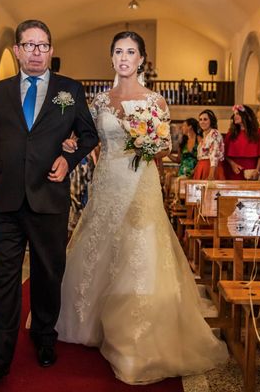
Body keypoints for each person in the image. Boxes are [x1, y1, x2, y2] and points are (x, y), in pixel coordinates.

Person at [57, 31, 228, 385]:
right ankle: (89, 320)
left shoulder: (156, 101)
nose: (124, 57)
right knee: (99, 247)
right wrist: (72, 141)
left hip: (140, 182)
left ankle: (136, 331)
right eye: (118, 51)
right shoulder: (99, 101)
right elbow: (90, 140)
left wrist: (147, 145)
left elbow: (164, 146)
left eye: (130, 52)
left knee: (139, 250)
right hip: (107, 182)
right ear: (112, 58)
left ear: (141, 60)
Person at [0, 19, 98, 386]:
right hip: (6, 200)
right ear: (17, 50)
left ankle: (44, 336)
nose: (36, 52)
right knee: (4, 281)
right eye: (29, 45)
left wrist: (68, 159)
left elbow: (88, 135)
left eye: (43, 45)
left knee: (47, 275)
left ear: (51, 50)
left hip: (49, 198)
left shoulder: (69, 90)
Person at [223, 104, 260, 180]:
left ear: (246, 115)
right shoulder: (230, 133)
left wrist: (257, 170)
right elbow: (224, 154)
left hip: (251, 170)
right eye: (234, 114)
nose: (235, 116)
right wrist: (232, 164)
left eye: (238, 114)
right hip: (234, 171)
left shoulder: (258, 132)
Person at [192, 109, 225, 180]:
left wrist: (211, 174)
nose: (202, 122)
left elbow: (214, 154)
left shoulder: (214, 133)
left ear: (211, 121)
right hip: (201, 167)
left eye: (205, 119)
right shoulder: (204, 135)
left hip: (211, 168)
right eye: (200, 120)